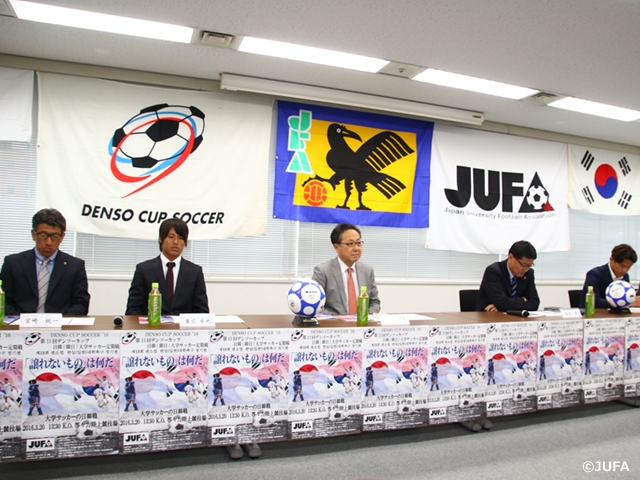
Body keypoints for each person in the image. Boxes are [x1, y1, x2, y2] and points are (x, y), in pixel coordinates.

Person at [0, 208, 90, 315]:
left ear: (62, 237)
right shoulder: (13, 263)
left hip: (60, 327)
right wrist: (22, 322)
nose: (48, 242)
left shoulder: (75, 266)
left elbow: (81, 303)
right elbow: (4, 301)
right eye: (43, 235)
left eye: (55, 236)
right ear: (33, 234)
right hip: (21, 326)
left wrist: (60, 322)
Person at [125, 218, 209, 316]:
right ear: (161, 238)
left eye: (181, 238)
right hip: (152, 327)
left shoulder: (195, 272)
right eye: (171, 236)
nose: (176, 242)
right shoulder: (144, 269)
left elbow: (202, 311)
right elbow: (133, 309)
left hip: (183, 329)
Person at [312, 223, 381, 315]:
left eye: (358, 243)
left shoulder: (367, 271)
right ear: (337, 247)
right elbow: (315, 304)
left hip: (362, 325)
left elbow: (375, 302)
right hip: (335, 326)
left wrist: (366, 316)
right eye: (350, 244)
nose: (356, 248)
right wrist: (338, 319)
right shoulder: (322, 271)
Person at [476, 240, 540, 312]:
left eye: (529, 266)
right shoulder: (493, 271)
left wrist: (504, 306)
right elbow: (502, 303)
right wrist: (522, 300)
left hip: (515, 318)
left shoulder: (529, 273)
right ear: (511, 257)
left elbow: (534, 303)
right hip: (489, 317)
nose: (525, 270)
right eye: (524, 265)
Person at [579, 244, 640, 308]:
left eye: (628, 267)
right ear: (611, 259)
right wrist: (627, 302)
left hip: (616, 315)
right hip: (593, 314)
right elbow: (595, 301)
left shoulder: (625, 276)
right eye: (622, 266)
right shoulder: (595, 274)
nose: (625, 270)